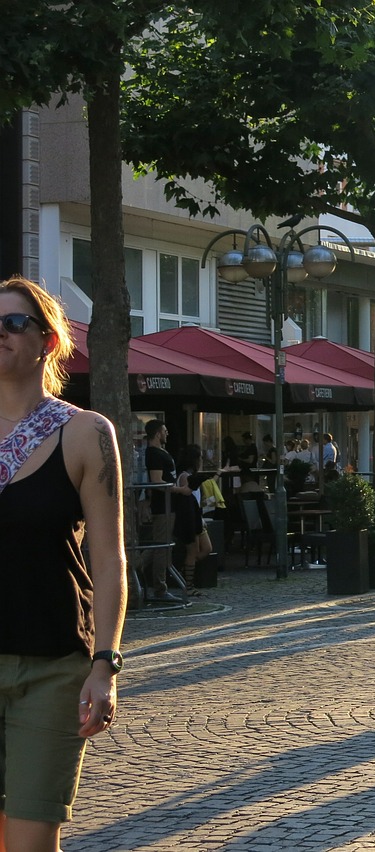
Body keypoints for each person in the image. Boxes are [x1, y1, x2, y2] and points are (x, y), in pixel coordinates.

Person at [0, 275, 126, 847]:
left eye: (12, 322)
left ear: (48, 341)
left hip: (51, 667)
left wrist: (105, 665)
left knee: (29, 840)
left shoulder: (84, 434)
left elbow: (108, 558)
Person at [144, 419, 191, 602]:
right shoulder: (154, 454)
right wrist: (179, 489)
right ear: (157, 433)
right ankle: (159, 588)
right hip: (162, 505)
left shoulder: (161, 452)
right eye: (165, 430)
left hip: (169, 505)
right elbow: (156, 481)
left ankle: (134, 569)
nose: (167, 433)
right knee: (161, 546)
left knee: (160, 544)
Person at [173, 444, 212, 593]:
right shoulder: (184, 476)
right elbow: (187, 497)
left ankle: (187, 570)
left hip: (196, 515)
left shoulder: (190, 476)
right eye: (199, 457)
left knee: (206, 548)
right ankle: (188, 584)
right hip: (189, 516)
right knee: (193, 550)